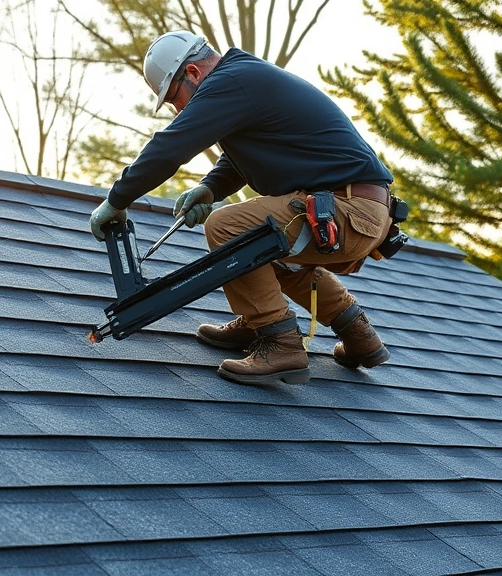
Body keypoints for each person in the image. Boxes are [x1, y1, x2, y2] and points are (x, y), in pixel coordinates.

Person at [89, 30, 395, 386]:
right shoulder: (244, 78)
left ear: (192, 73)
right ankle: (358, 335)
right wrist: (210, 187)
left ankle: (279, 341)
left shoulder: (231, 81)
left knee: (227, 228)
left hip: (343, 211)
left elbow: (170, 147)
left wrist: (117, 200)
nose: (179, 110)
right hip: (359, 213)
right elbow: (241, 157)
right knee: (266, 250)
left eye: (174, 98)